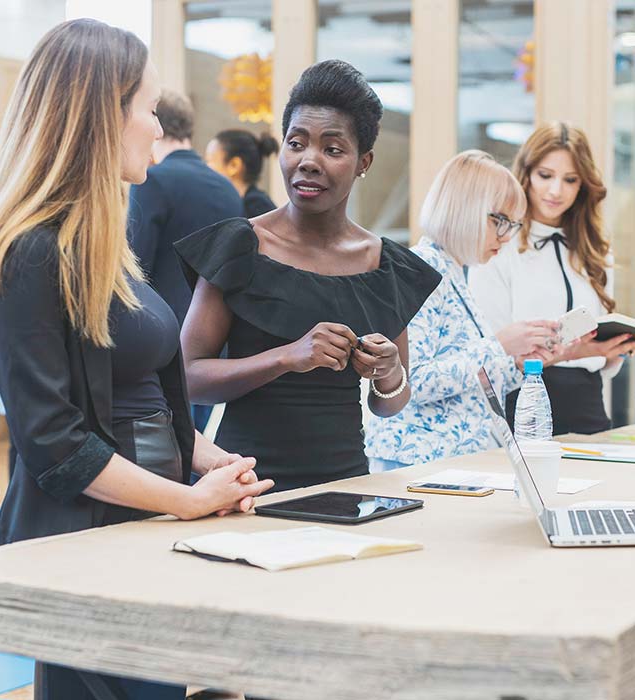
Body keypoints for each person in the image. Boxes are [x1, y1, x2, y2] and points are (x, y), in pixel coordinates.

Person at [0, 19, 272, 699]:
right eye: (148, 110)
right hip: (88, 547)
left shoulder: (96, 244)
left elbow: (135, 391)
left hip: (140, 536)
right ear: (101, 117)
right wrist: (186, 500)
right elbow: (56, 443)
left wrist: (209, 465)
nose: (158, 129)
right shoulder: (30, 252)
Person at [176, 59, 441, 492]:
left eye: (332, 150)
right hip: (244, 485)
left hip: (346, 485)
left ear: (363, 162)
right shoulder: (241, 246)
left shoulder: (385, 265)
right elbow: (188, 377)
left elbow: (389, 405)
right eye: (297, 143)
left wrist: (389, 372)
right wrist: (286, 357)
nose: (309, 161)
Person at [365, 151, 562, 470]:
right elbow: (411, 383)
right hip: (416, 462)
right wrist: (499, 344)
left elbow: (465, 377)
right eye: (500, 221)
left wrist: (519, 364)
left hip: (448, 461)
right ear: (464, 209)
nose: (507, 237)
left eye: (512, 225)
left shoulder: (451, 271)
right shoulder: (421, 270)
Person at [469, 123, 635, 434]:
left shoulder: (596, 249)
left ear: (582, 185)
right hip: (523, 400)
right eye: (545, 175)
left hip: (588, 401)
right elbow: (489, 346)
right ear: (526, 174)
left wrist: (610, 350)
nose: (556, 191)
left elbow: (599, 350)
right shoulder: (498, 245)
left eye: (570, 180)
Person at [128, 91, 244, 326]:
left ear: (157, 124)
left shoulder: (153, 181)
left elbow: (136, 267)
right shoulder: (228, 188)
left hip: (165, 330)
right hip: (220, 331)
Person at [205, 130, 278, 217]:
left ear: (234, 165)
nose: (205, 167)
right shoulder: (236, 203)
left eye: (209, 161)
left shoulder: (257, 207)